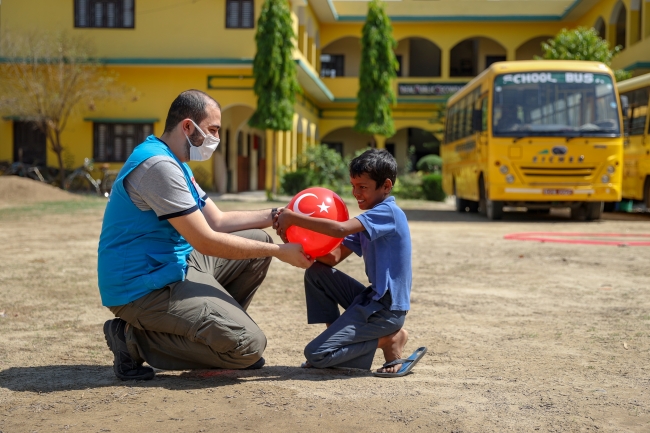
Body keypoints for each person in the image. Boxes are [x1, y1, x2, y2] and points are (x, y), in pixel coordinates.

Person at [97, 89, 312, 381]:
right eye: (212, 130)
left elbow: (218, 221)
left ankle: (218, 333)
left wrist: (278, 215)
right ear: (188, 126)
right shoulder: (159, 166)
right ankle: (131, 338)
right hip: (141, 287)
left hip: (172, 267)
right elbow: (206, 241)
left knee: (258, 240)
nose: (216, 139)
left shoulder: (176, 163)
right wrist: (279, 253)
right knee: (248, 347)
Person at [274, 149, 426, 377]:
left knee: (316, 354)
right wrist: (296, 244)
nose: (356, 193)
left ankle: (390, 338)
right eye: (353, 186)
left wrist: (293, 217)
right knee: (316, 272)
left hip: (386, 310)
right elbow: (333, 257)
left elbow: (340, 228)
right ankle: (337, 340)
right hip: (371, 299)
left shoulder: (388, 212)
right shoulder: (369, 219)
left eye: (363, 187)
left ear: (386, 186)